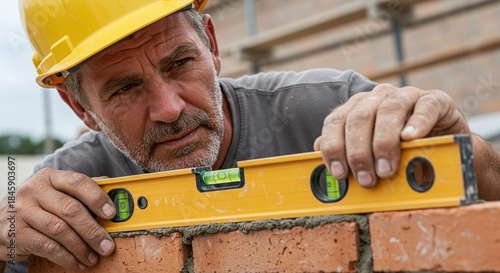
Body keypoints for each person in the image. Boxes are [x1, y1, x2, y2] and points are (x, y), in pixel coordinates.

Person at [2, 0, 500, 272]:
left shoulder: (326, 109)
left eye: (181, 63)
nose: (170, 107)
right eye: (126, 89)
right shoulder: (68, 193)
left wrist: (461, 150)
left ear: (212, 46)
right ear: (80, 107)